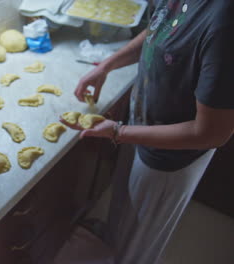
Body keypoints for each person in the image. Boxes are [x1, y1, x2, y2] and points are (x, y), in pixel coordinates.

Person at [60, 0, 234, 263]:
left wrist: (119, 132)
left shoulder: (225, 22)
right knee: (122, 207)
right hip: (138, 125)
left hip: (170, 160)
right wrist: (107, 65)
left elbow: (212, 133)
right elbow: (159, 29)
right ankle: (111, 243)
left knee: (137, 243)